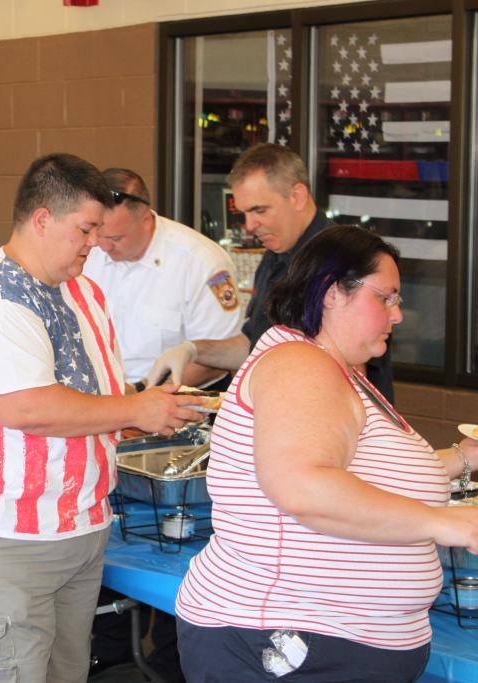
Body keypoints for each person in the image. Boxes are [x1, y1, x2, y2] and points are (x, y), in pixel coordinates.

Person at [0, 152, 204, 683]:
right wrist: (133, 408)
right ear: (42, 219)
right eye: (85, 230)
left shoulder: (83, 289)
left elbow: (95, 393)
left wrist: (141, 408)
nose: (94, 244)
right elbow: (25, 407)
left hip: (72, 529)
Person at [175, 226, 478, 681]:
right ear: (334, 292)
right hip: (282, 634)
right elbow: (303, 483)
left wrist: (466, 456)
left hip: (323, 639)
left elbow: (367, 477)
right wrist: (445, 521)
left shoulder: (338, 369)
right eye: (387, 298)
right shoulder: (301, 364)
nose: (398, 315)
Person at [147, 143, 394, 402]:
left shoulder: (345, 258)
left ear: (297, 196)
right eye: (244, 213)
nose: (250, 225)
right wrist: (194, 350)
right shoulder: (275, 256)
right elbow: (253, 344)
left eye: (259, 210)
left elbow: (357, 366)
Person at [83, 167, 241, 390]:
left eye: (116, 238)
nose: (104, 246)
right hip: (99, 394)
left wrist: (143, 391)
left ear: (146, 220)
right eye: (99, 235)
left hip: (173, 401)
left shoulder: (202, 263)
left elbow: (220, 358)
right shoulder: (88, 254)